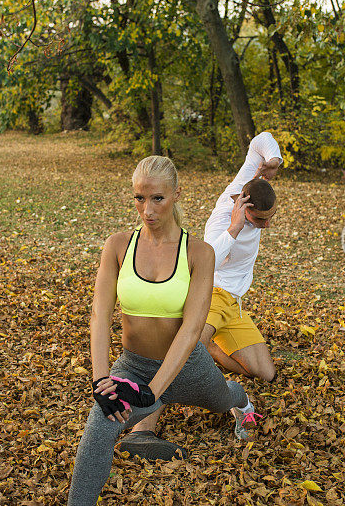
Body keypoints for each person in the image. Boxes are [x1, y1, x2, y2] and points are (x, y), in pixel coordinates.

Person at [67, 156, 260, 506]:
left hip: (188, 368)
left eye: (157, 198)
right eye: (139, 198)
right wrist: (100, 380)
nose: (147, 209)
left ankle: (241, 399)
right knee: (99, 428)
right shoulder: (118, 246)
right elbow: (99, 314)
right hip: (133, 368)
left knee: (221, 399)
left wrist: (153, 393)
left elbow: (191, 330)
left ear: (176, 195)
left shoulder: (198, 252)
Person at [119, 131, 282, 460]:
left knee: (264, 372)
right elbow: (208, 258)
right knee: (178, 351)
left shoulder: (249, 181)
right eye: (258, 220)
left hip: (233, 305)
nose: (264, 226)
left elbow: (261, 139)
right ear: (242, 206)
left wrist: (274, 159)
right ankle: (142, 430)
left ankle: (208, 347)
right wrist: (236, 227)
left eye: (269, 219)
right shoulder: (225, 215)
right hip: (211, 294)